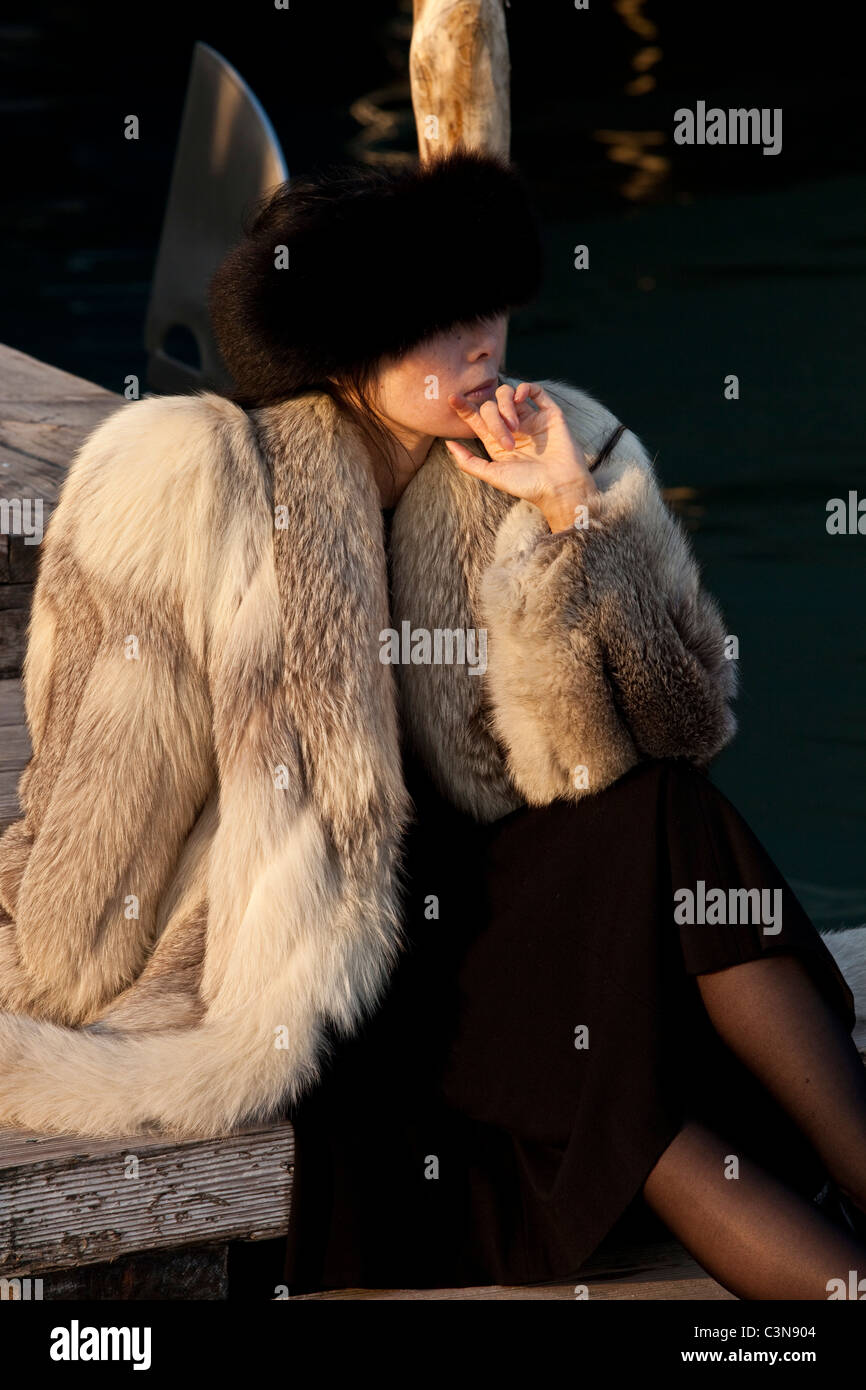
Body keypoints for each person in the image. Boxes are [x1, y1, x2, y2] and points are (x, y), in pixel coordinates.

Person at [0, 149, 864, 1302]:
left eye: (488, 307)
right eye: (436, 320)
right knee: (609, 1066)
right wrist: (55, 977)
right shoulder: (189, 484)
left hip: (503, 896)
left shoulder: (547, 443)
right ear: (347, 344)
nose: (482, 343)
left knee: (670, 814)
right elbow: (107, 789)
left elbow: (677, 721)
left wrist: (571, 516)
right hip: (332, 952)